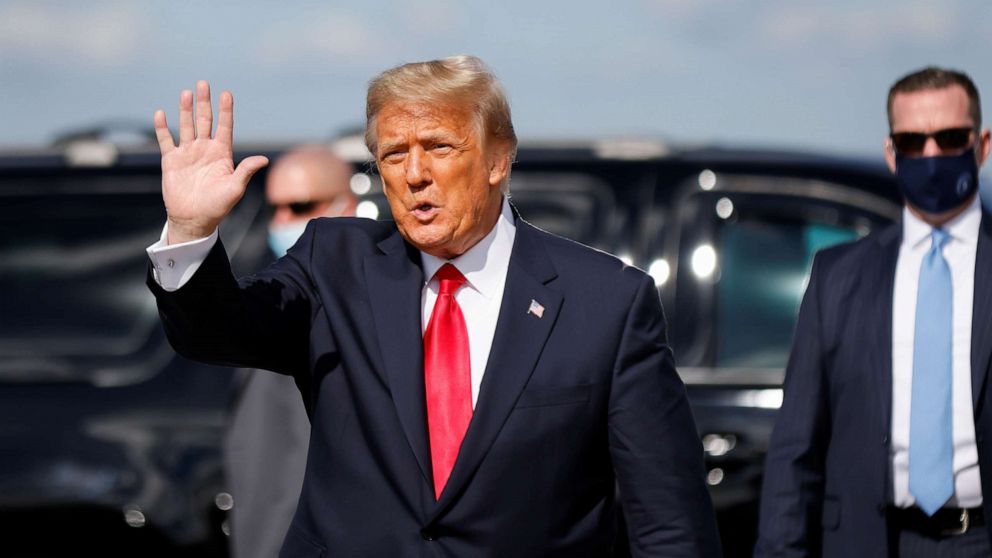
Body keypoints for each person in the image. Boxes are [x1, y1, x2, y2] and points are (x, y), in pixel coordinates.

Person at [146, 55, 721, 557]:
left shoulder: (606, 301)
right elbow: (218, 333)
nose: (415, 174)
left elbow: (670, 522)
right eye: (394, 155)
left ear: (499, 159)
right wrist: (192, 231)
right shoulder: (335, 264)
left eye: (439, 147)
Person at [756, 66, 992, 557]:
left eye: (949, 138)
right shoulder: (838, 277)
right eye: (912, 142)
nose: (931, 155)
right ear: (891, 153)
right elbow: (796, 446)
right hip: (868, 541)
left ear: (982, 145)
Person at [223, 145, 357, 558]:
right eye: (274, 209)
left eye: (299, 206)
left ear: (345, 206)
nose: (282, 221)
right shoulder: (275, 297)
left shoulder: (359, 307)